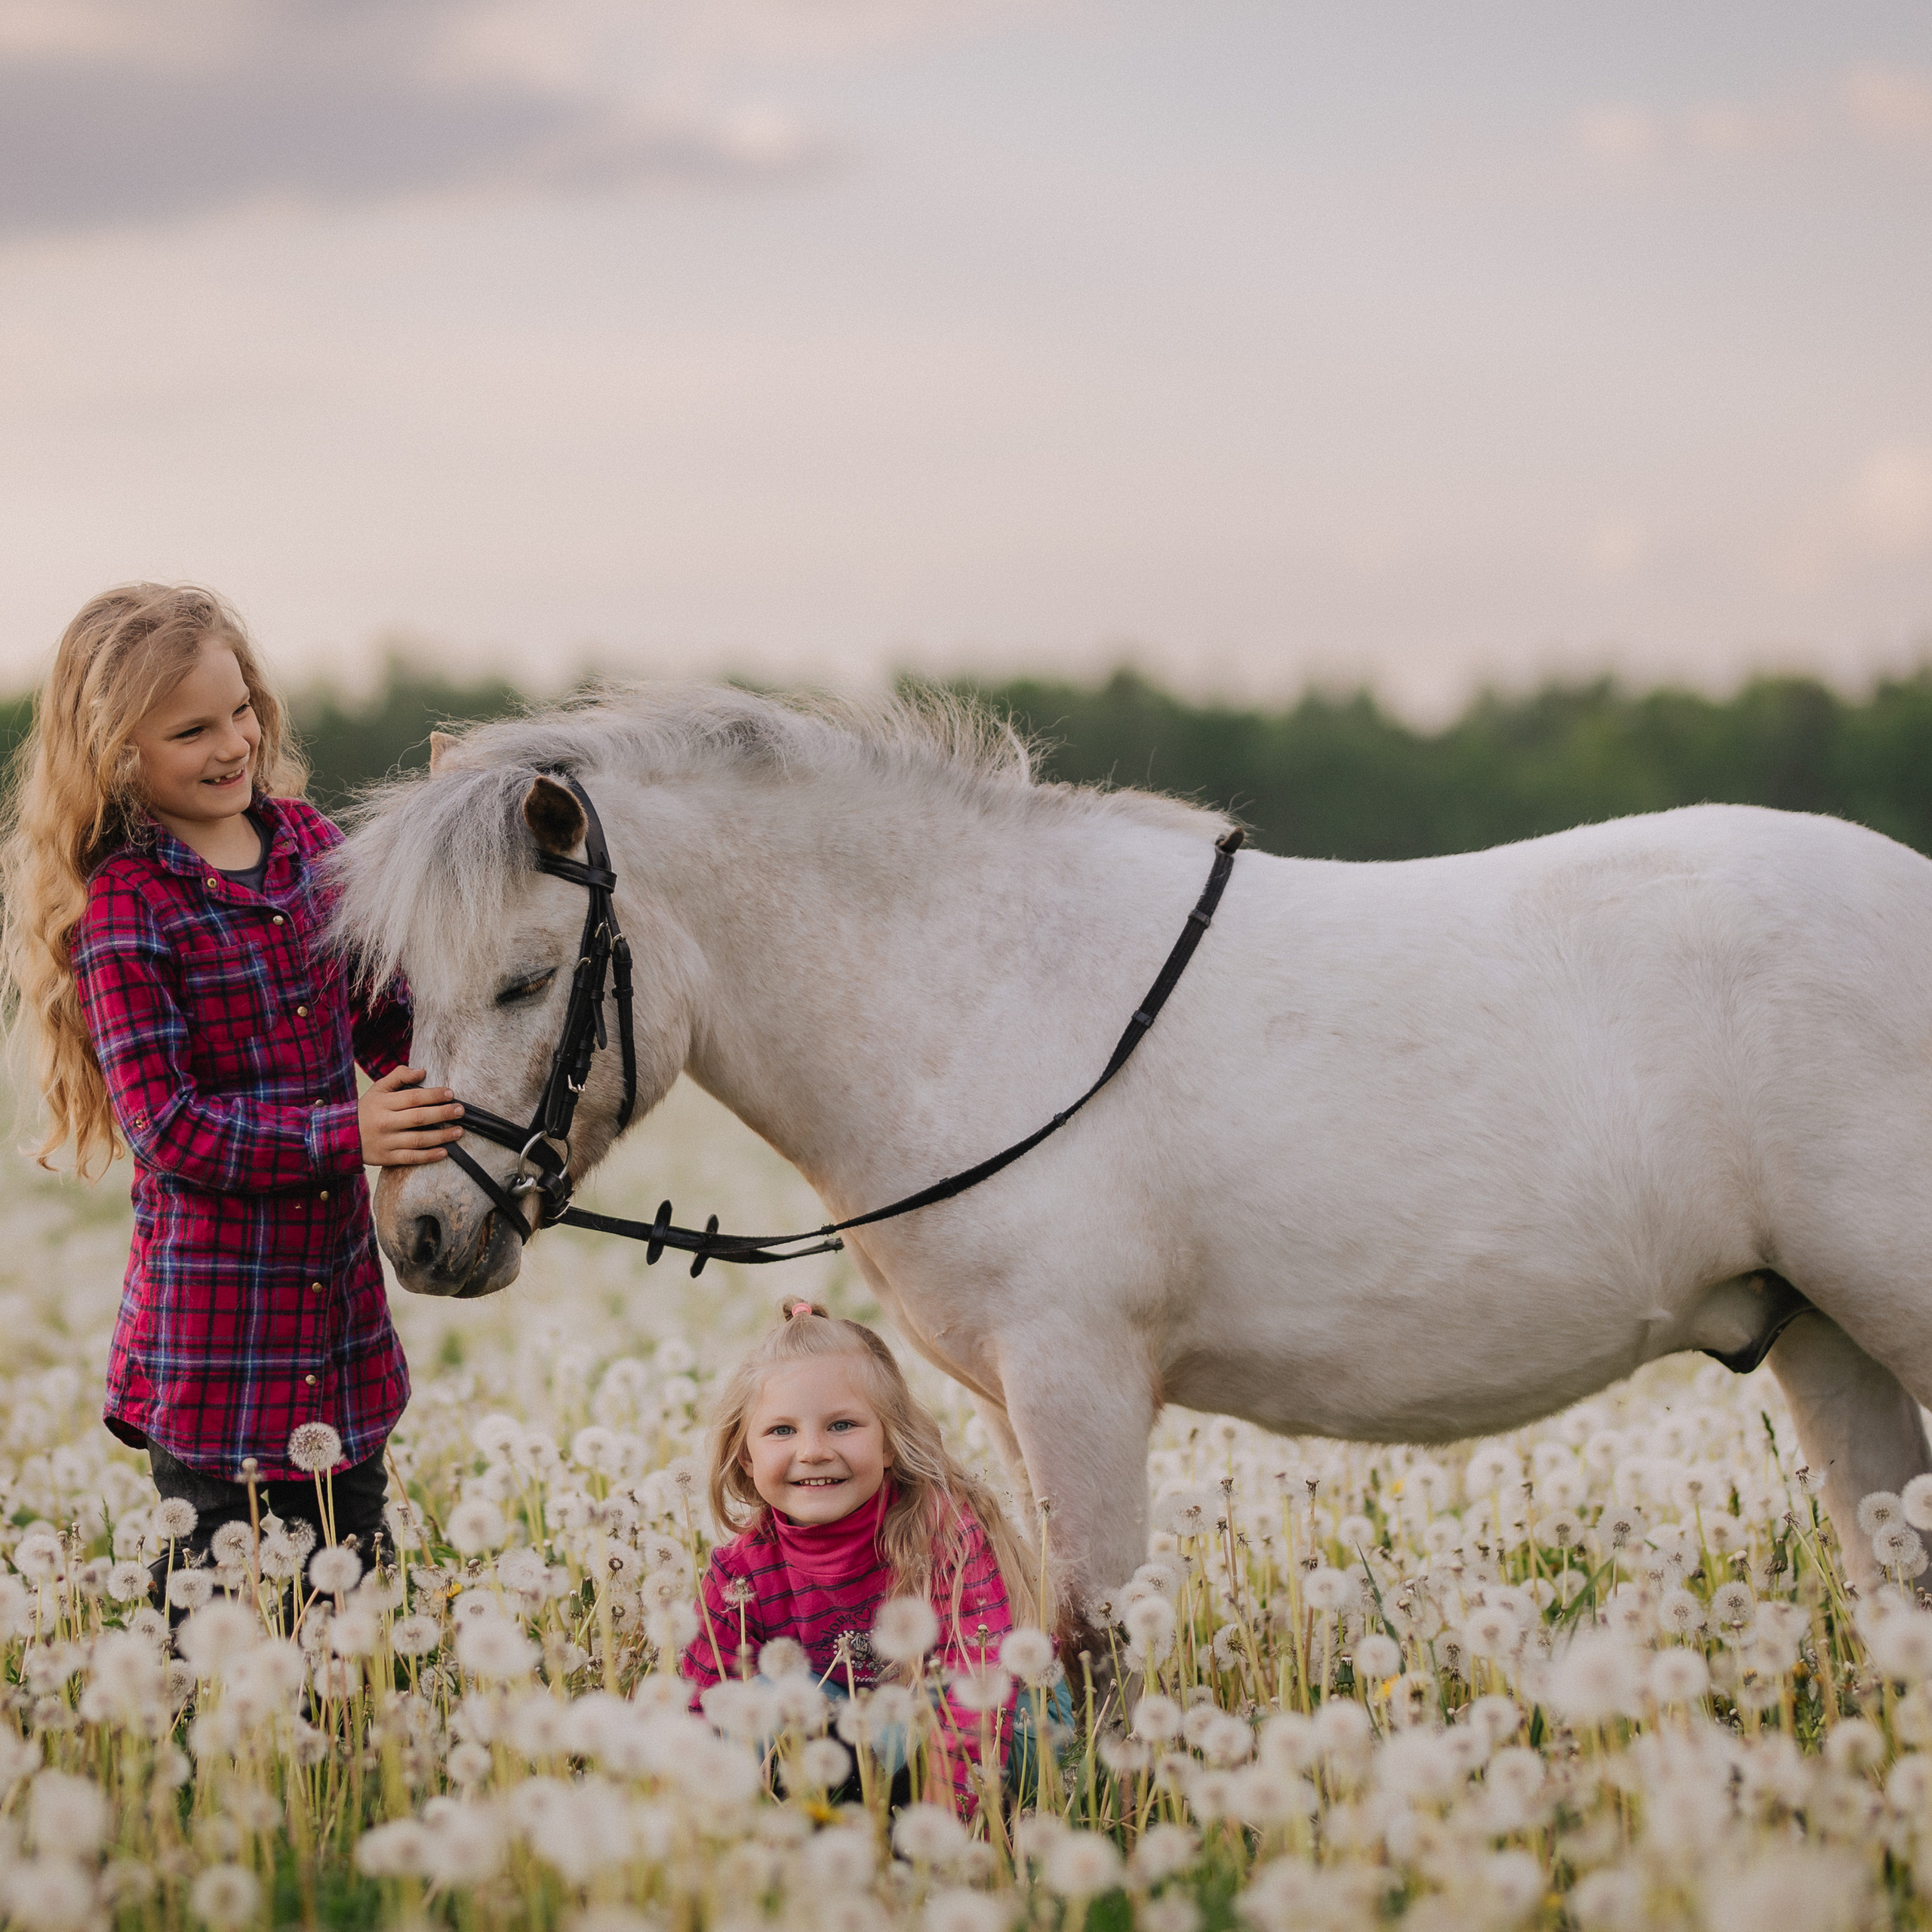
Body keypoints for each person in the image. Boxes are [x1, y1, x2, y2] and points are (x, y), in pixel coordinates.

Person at [0, 584, 464, 1590]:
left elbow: (387, 1019)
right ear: (116, 752)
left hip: (338, 1328)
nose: (232, 742)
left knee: (358, 1609)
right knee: (220, 1625)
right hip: (218, 1351)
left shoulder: (308, 847)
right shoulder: (125, 909)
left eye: (241, 708)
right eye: (192, 729)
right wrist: (351, 1132)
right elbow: (170, 1127)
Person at [684, 1299, 1042, 1816]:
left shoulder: (942, 1534)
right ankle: (839, 1817)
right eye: (782, 1430)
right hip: (853, 1735)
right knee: (764, 1698)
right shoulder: (741, 1572)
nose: (812, 1451)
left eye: (842, 1425)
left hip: (984, 1721)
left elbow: (977, 1686)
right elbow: (699, 1706)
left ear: (890, 1443)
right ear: (746, 1455)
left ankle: (916, 1816)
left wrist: (946, 1839)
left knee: (1022, 1718)